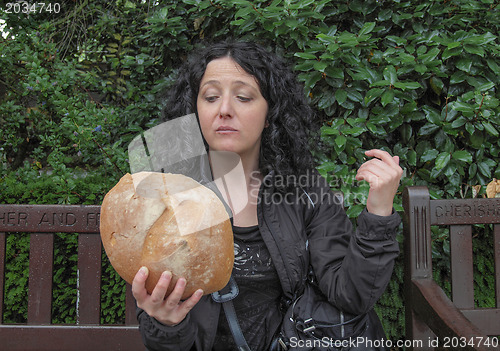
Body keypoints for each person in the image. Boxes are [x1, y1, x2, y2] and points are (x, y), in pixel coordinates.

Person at [131, 40, 403, 351]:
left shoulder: (306, 192)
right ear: (194, 110)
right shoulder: (166, 199)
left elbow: (352, 295)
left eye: (243, 97)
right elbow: (165, 341)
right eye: (210, 97)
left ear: (270, 111)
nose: (224, 110)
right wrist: (166, 323)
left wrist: (379, 212)